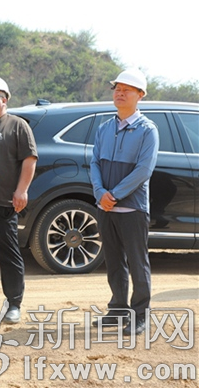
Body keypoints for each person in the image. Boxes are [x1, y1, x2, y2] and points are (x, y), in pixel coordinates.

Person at [90, 69, 158, 336]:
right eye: (117, 88)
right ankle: (117, 310)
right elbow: (95, 162)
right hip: (105, 207)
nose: (119, 93)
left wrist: (115, 194)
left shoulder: (147, 130)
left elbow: (144, 170)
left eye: (126, 89)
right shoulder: (104, 128)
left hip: (132, 209)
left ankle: (140, 316)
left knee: (138, 263)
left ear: (140, 95)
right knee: (114, 261)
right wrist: (100, 193)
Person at [0, 75, 37, 324]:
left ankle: (14, 303)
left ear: (4, 100)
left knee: (8, 254)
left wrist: (22, 190)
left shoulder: (16, 125)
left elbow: (29, 159)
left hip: (3, 202)